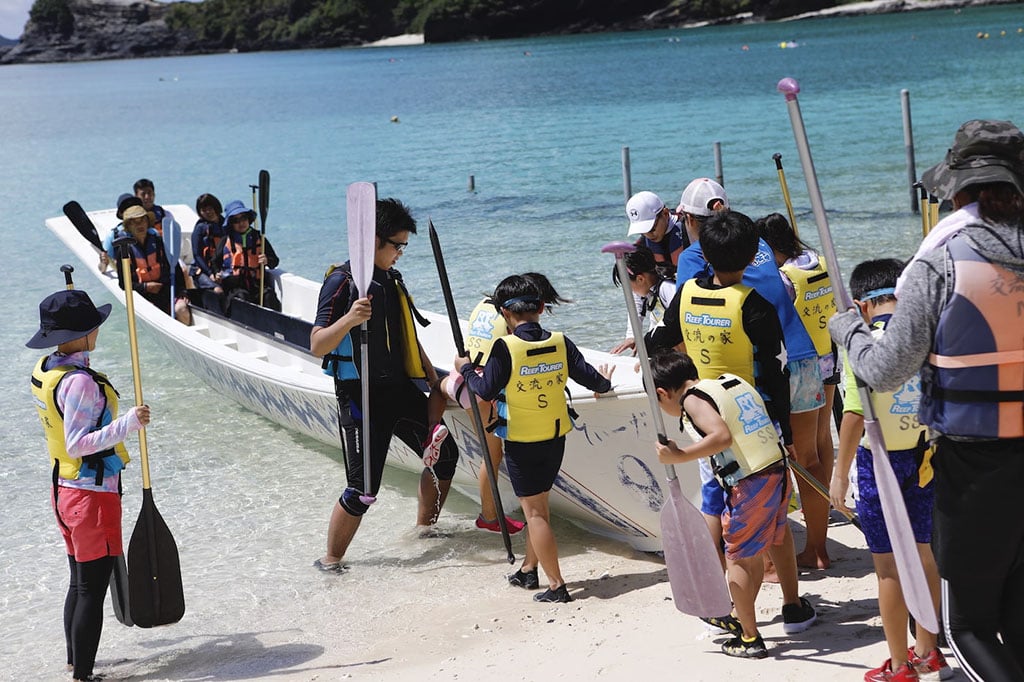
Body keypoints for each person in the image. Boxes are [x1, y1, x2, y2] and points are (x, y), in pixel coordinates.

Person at [830, 119, 1024, 682]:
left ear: (956, 193)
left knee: (968, 628)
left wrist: (849, 331)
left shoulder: (940, 263)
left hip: (973, 465)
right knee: (1018, 614)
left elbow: (884, 370)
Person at [648, 209, 817, 635]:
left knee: (714, 504)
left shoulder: (686, 294)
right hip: (753, 423)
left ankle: (719, 600)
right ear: (754, 254)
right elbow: (775, 374)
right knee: (773, 511)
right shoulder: (754, 304)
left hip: (704, 418)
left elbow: (661, 339)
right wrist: (785, 431)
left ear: (703, 253)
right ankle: (790, 604)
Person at [311, 197, 459, 573]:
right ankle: (331, 561)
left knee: (446, 457)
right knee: (362, 489)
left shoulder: (392, 279)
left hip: (398, 389)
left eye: (404, 246)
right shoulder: (342, 282)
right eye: (398, 245)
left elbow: (407, 334)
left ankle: (425, 530)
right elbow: (317, 345)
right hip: (361, 396)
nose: (400, 253)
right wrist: (350, 319)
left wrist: (433, 378)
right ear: (374, 240)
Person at [454, 274, 613, 603]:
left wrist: (465, 368)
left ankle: (557, 586)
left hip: (522, 441)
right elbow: (595, 382)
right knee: (539, 508)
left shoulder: (505, 347)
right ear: (541, 307)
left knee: (536, 513)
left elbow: (484, 390)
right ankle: (529, 569)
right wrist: (606, 384)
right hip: (555, 437)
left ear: (504, 313)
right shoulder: (560, 341)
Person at [829, 258, 950, 682]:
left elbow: (853, 414)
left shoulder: (862, 344)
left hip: (879, 462)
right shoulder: (923, 335)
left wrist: (839, 474)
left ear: (862, 306)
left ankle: (899, 665)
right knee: (924, 553)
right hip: (924, 455)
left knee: (888, 567)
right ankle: (928, 651)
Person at [27, 283, 150, 682]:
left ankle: (73, 661)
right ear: (80, 334)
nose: (98, 330)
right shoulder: (79, 382)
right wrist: (129, 423)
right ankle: (83, 676)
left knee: (79, 583)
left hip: (64, 491)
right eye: (93, 325)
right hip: (91, 496)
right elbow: (79, 443)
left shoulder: (47, 369)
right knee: (90, 591)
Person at [651, 349, 789, 659]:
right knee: (752, 557)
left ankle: (750, 638)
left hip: (751, 483)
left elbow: (721, 436)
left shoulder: (691, 400)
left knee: (737, 560)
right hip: (776, 470)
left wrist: (679, 456)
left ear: (662, 393)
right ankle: (742, 617)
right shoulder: (723, 383)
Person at [438, 273, 571, 535]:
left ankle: (434, 420)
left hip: (457, 380)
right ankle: (488, 517)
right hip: (478, 390)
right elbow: (519, 356)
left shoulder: (487, 306)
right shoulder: (509, 319)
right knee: (492, 455)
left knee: (438, 387)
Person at [757, 212, 838, 569]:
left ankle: (810, 535)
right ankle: (820, 529)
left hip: (798, 362)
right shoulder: (818, 261)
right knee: (820, 444)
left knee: (798, 456)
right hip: (827, 358)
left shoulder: (783, 277)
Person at [609, 245, 676, 355]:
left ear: (640, 279)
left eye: (628, 287)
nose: (630, 292)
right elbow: (636, 307)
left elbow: (677, 322)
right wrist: (632, 336)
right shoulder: (650, 289)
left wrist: (648, 343)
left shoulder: (668, 288)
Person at [218, 199, 281, 312]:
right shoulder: (225, 241)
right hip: (235, 287)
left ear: (248, 219)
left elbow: (275, 261)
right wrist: (216, 273)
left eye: (243, 218)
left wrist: (267, 260)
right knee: (242, 297)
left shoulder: (260, 238)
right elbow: (215, 262)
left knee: (269, 296)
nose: (241, 223)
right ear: (231, 224)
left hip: (257, 285)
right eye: (236, 220)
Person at [113, 203, 173, 315]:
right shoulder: (124, 250)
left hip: (164, 291)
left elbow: (173, 268)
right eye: (134, 222)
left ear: (147, 222)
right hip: (142, 296)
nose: (139, 225)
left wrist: (182, 292)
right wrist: (145, 287)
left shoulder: (158, 242)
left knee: (181, 309)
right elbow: (123, 284)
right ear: (128, 226)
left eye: (142, 220)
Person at [625, 190, 688, 267]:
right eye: (643, 231)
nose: (648, 235)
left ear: (665, 214)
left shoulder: (687, 230)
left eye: (652, 229)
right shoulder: (644, 241)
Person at [189, 193, 226, 295]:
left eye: (210, 208)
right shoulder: (200, 228)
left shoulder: (226, 225)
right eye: (204, 210)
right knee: (218, 290)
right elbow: (197, 255)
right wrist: (210, 273)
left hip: (220, 269)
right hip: (203, 271)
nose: (208, 212)